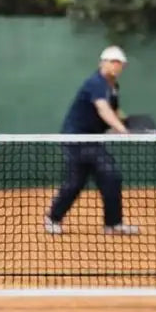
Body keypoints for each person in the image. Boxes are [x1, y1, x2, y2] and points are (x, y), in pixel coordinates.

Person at [43, 46, 140, 236]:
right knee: (85, 180)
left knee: (103, 177)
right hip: (76, 138)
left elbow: (116, 113)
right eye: (112, 61)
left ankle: (112, 224)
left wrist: (138, 127)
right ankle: (53, 219)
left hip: (93, 140)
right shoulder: (96, 83)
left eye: (119, 63)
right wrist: (122, 131)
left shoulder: (113, 87)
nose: (116, 66)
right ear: (102, 63)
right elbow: (103, 109)